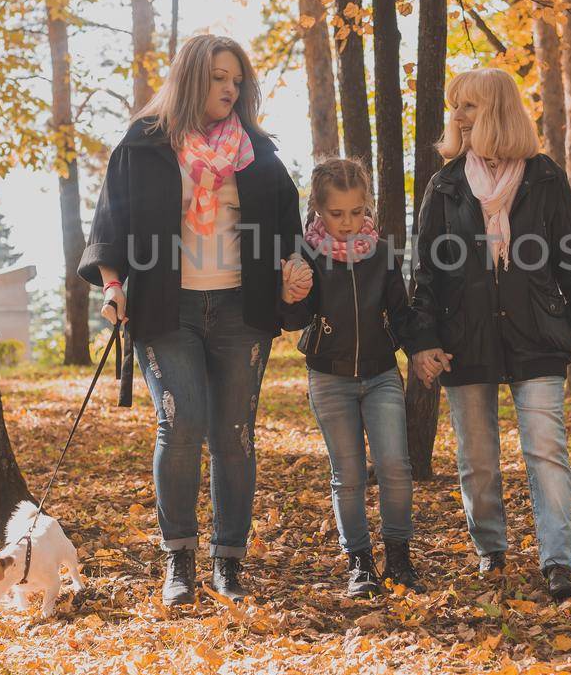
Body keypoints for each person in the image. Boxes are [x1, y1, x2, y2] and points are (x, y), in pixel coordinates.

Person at [78, 34, 308, 606]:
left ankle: (228, 561)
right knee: (180, 426)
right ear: (190, 79)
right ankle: (178, 559)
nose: (230, 88)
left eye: (236, 79)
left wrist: (293, 268)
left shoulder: (257, 151)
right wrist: (112, 286)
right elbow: (112, 224)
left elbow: (287, 229)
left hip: (241, 309)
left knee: (233, 435)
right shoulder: (144, 145)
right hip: (166, 307)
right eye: (218, 78)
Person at [408, 67, 571, 601]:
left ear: (496, 109)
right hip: (463, 336)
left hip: (537, 331)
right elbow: (424, 270)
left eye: (468, 106)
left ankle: (558, 561)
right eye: (455, 108)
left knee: (546, 449)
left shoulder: (543, 177)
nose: (458, 117)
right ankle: (490, 550)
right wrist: (423, 337)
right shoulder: (445, 184)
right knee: (477, 456)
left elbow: (570, 256)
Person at [279, 158, 423, 598]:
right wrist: (289, 294)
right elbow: (295, 319)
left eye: (356, 212)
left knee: (396, 467)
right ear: (319, 212)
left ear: (367, 208)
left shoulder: (382, 253)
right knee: (349, 472)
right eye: (336, 214)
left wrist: (421, 349)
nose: (347, 223)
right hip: (329, 377)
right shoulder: (306, 253)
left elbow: (400, 312)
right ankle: (359, 560)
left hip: (381, 374)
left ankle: (398, 553)